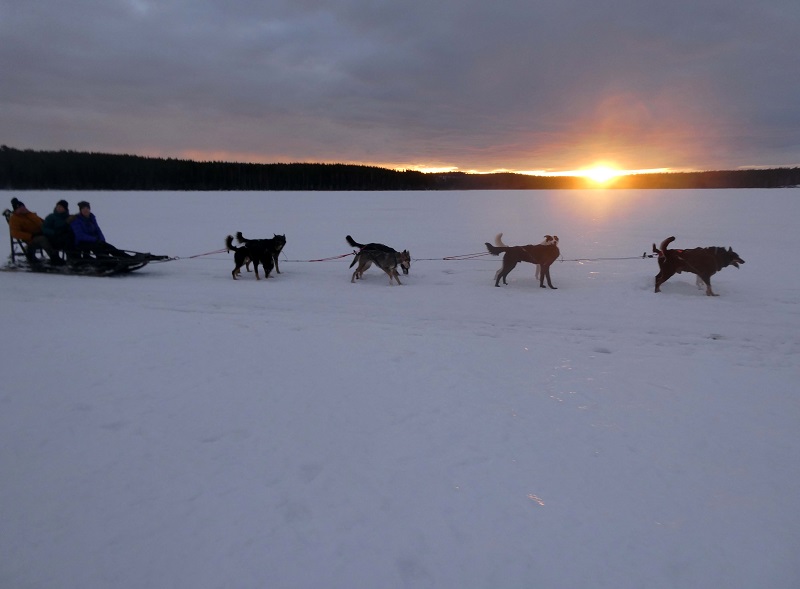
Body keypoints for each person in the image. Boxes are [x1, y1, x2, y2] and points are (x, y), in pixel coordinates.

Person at [8, 197, 63, 265]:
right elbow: (14, 233)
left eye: (23, 206)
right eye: (19, 208)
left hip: (41, 233)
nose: (22, 209)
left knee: (54, 236)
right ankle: (54, 258)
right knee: (43, 239)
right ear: (16, 210)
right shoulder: (14, 219)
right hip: (31, 239)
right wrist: (31, 236)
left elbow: (43, 222)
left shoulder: (31, 214)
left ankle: (59, 256)